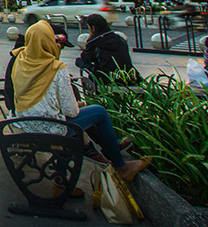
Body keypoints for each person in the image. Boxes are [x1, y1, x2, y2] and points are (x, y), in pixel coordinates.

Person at [11, 21, 151, 193]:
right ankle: (120, 166)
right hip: (47, 126)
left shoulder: (21, 58)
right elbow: (71, 111)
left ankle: (60, 183)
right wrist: (78, 104)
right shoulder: (55, 68)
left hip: (24, 121)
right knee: (98, 113)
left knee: (70, 129)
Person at [75, 14, 141, 84]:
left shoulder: (95, 42)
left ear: (93, 28)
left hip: (106, 78)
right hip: (126, 75)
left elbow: (85, 58)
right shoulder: (120, 39)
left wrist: (89, 41)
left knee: (79, 61)